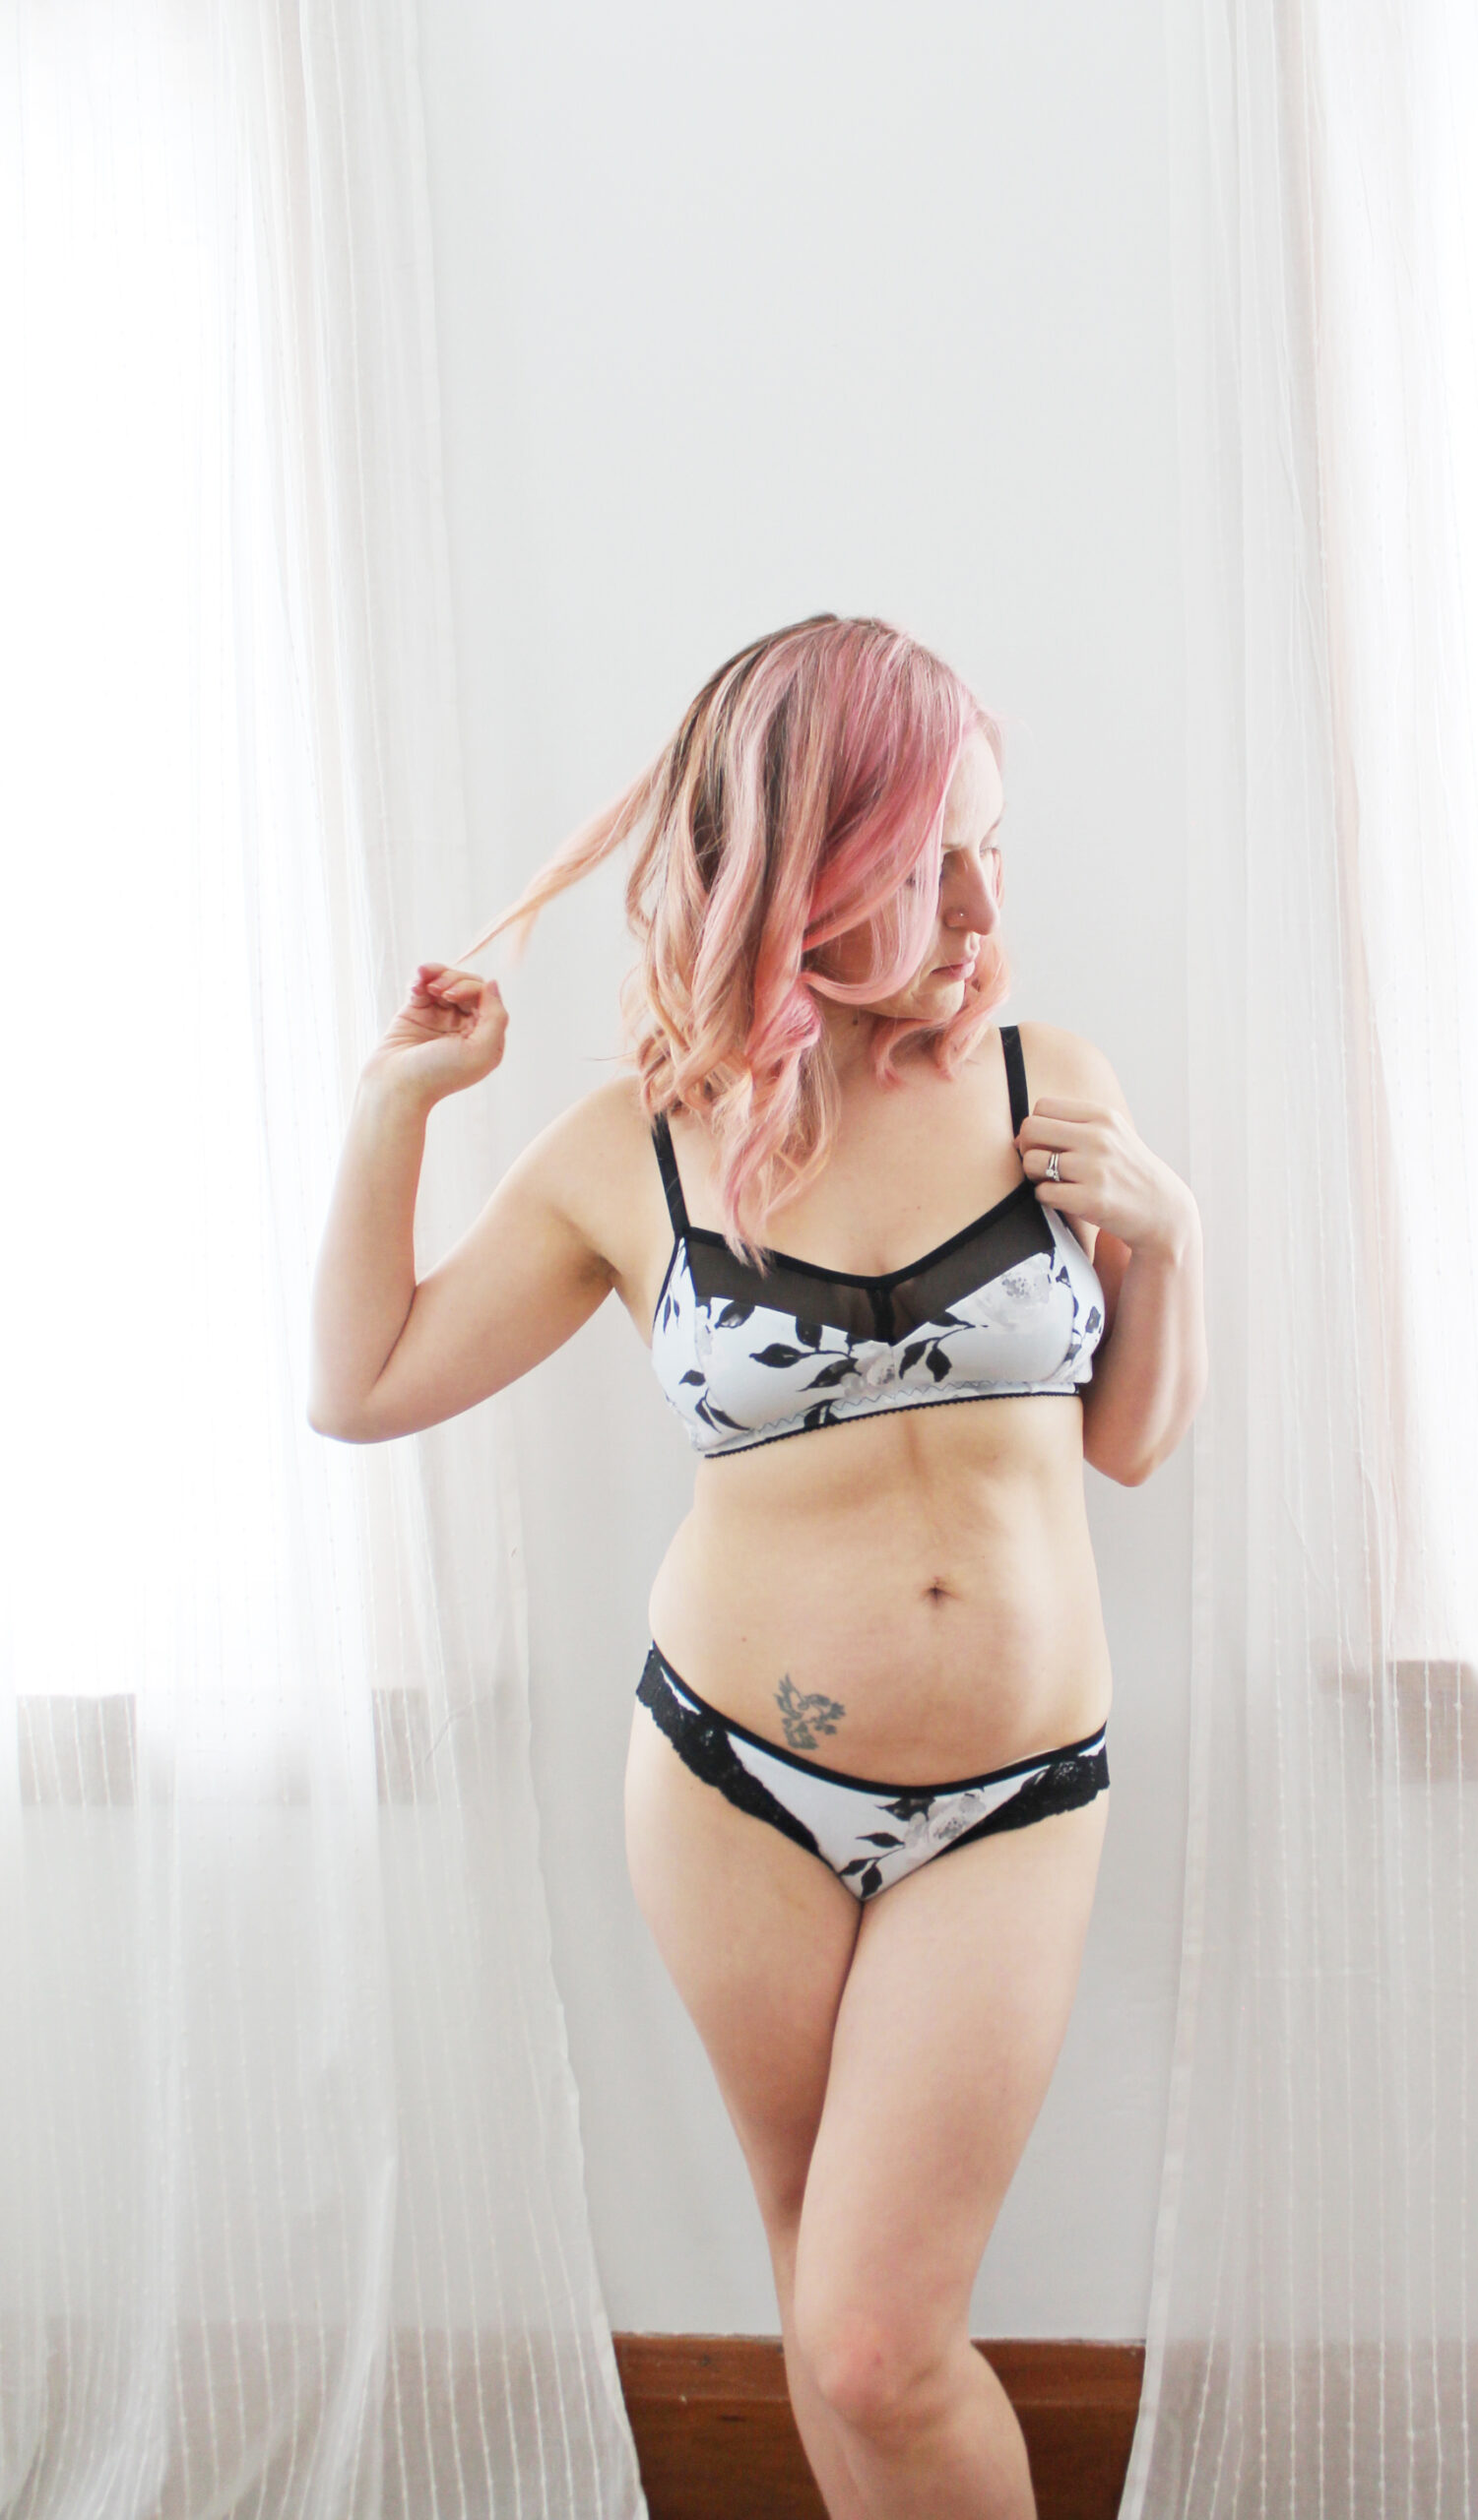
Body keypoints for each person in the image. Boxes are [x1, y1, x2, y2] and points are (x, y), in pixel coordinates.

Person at [308, 613, 1207, 2520]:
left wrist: (1175, 1239)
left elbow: (1124, 1441)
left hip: (1011, 1801)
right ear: (810, 859)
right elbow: (363, 1385)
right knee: (822, 2303)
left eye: (993, 848)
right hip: (732, 1786)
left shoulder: (1049, 1083)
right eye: (931, 860)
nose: (982, 906)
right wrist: (395, 1105)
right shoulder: (627, 1150)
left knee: (878, 2339)